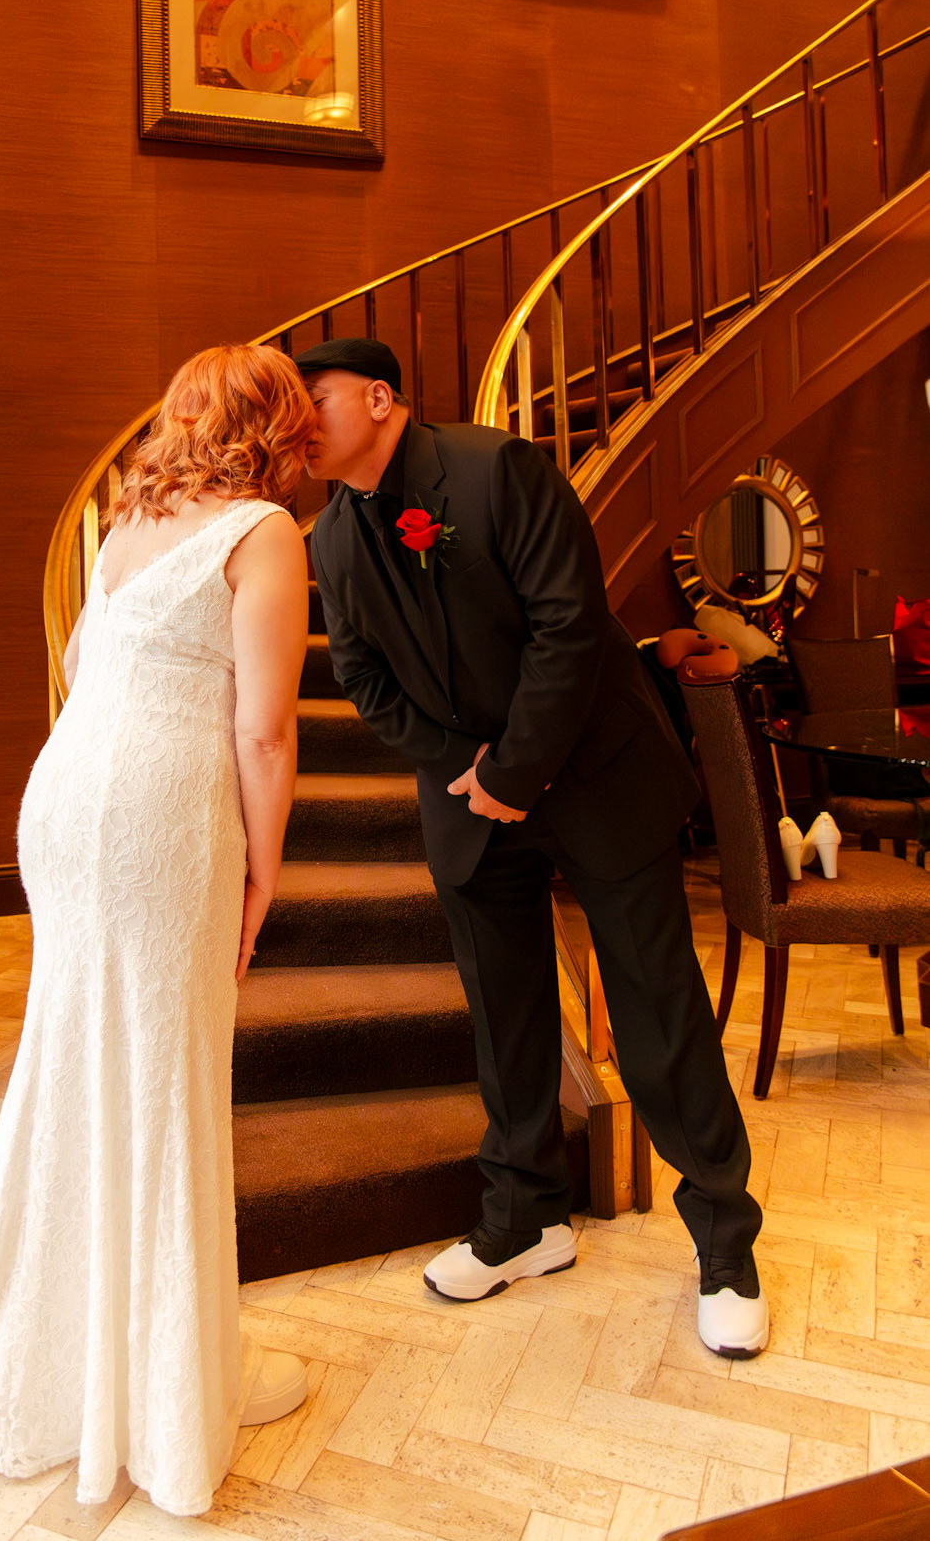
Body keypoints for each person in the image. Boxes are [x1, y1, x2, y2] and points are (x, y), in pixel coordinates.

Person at [0, 343, 314, 1515]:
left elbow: (84, 669)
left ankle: (96, 1349)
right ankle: (171, 1385)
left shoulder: (125, 524)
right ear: (276, 425)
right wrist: (264, 869)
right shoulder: (264, 531)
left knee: (81, 1070)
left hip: (64, 799)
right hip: (159, 810)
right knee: (166, 1078)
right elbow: (264, 730)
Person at [297, 337, 769, 1359]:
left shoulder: (494, 469)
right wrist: (471, 772)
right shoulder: (329, 538)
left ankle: (725, 1241)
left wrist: (513, 770)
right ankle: (525, 1219)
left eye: (314, 399)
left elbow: (569, 626)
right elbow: (365, 682)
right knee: (504, 1017)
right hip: (469, 801)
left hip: (594, 776)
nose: (298, 424)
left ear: (378, 397)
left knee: (657, 1010)